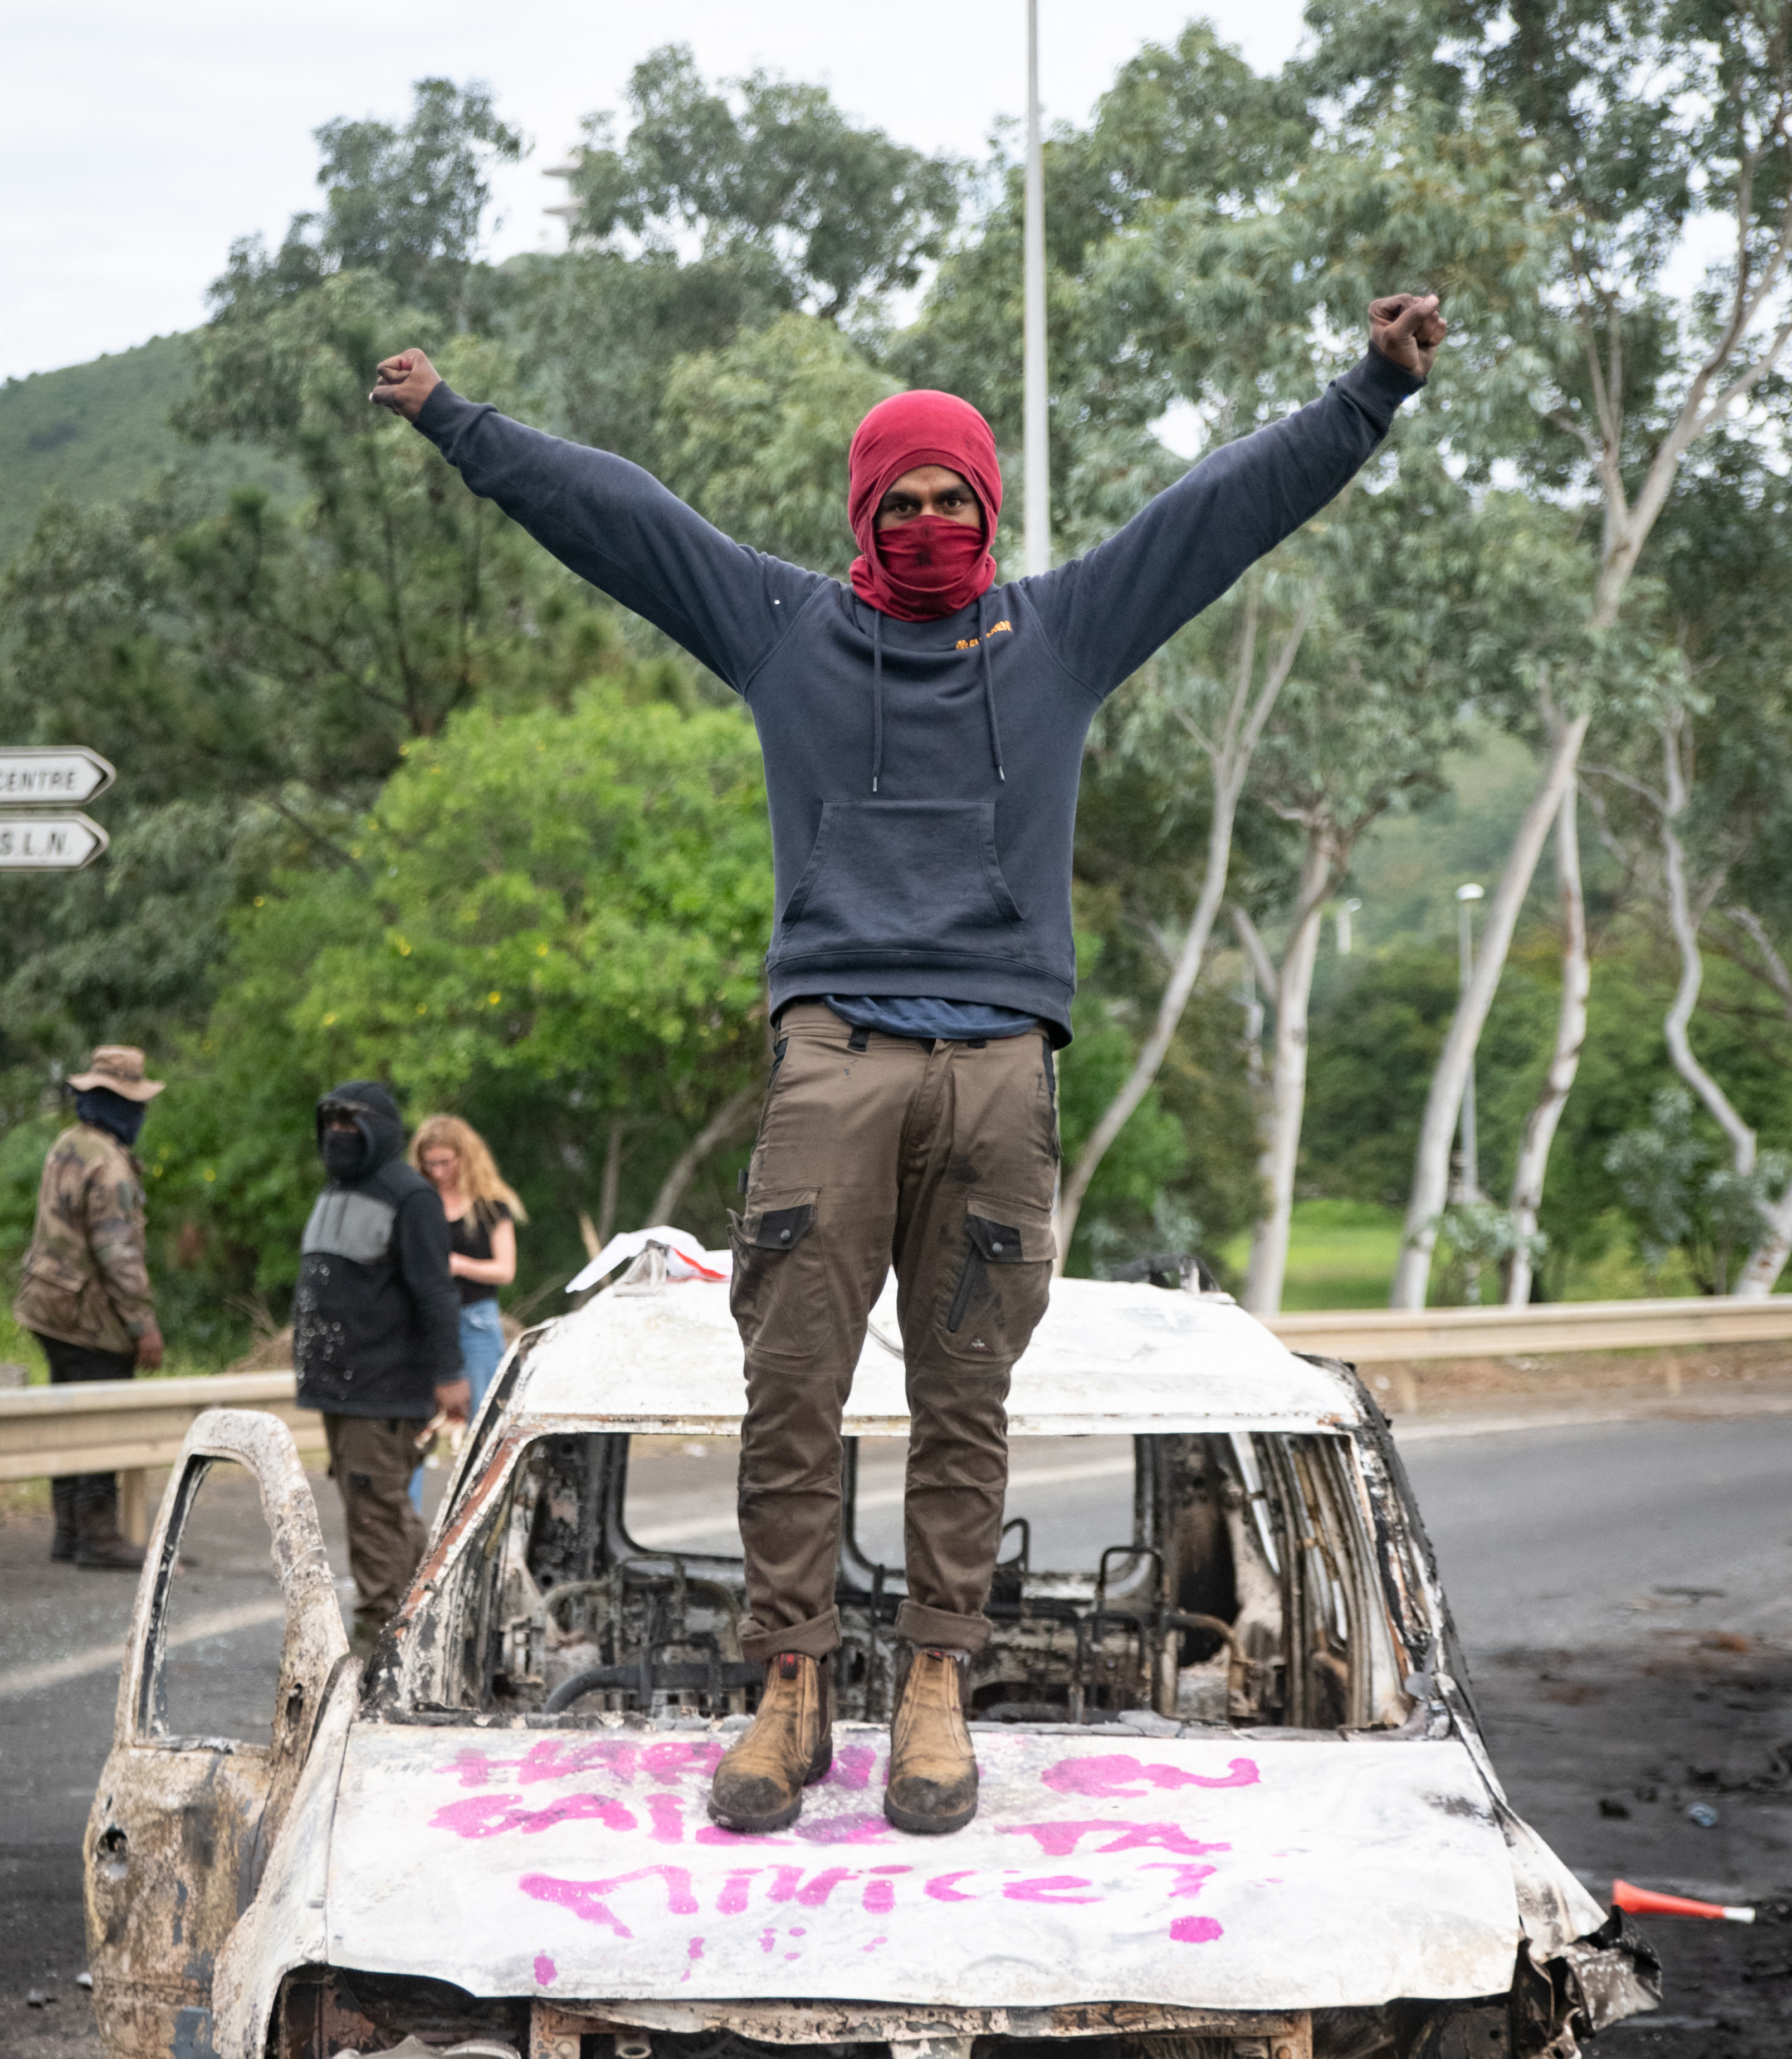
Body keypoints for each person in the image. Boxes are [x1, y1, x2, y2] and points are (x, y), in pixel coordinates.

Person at [371, 291, 1447, 1836]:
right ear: (864, 511)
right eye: (903, 499)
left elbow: (1221, 510)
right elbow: (620, 518)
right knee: (790, 1384)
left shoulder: (1060, 633)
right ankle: (789, 1691)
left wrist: (1368, 393)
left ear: (988, 508)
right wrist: (458, 420)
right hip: (837, 1052)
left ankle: (933, 1693)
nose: (930, 519)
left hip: (1003, 1063)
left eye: (954, 497)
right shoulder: (786, 629)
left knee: (965, 1399)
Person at [292, 1080, 469, 1654]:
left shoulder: (409, 1196)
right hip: (340, 1391)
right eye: (333, 1123)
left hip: (384, 1386)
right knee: (376, 1509)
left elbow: (435, 1291)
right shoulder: (335, 1191)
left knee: (377, 1515)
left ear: (382, 1131)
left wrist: (450, 1374)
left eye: (354, 1124)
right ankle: (419, 1625)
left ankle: (382, 1644)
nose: (341, 1135)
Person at [16, 1044, 167, 1570]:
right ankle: (99, 1536)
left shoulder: (68, 1143)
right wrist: (143, 1327)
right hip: (88, 1317)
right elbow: (119, 1256)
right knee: (102, 1418)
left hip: (44, 1303)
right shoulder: (112, 1168)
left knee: (66, 1414)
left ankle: (68, 1530)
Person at [405, 1114, 525, 1508]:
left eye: (446, 1162)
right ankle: (407, 1526)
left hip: (475, 1320)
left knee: (487, 1430)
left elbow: (505, 1269)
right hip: (422, 1323)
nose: (438, 1172)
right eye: (430, 1164)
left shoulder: (490, 1205)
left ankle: (484, 1518)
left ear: (465, 1157)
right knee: (414, 1429)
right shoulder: (417, 1203)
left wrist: (455, 1264)